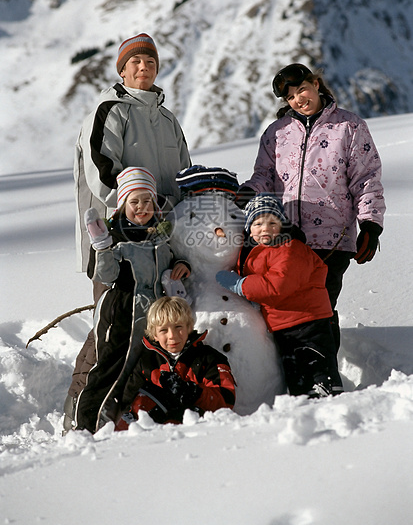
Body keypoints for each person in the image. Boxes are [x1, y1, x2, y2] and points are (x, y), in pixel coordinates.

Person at [238, 63, 385, 349]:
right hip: (286, 239)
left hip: (332, 238)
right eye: (291, 97)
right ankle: (297, 372)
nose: (298, 99)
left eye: (302, 89)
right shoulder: (277, 132)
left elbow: (366, 178)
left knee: (321, 308)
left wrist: (370, 222)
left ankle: (326, 376)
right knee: (290, 310)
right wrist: (247, 194)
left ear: (316, 84)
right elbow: (264, 176)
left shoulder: (349, 126)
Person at [65, 167, 191, 434]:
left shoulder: (159, 236)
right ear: (123, 205)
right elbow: (105, 274)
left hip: (151, 319)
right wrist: (101, 246)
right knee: (107, 370)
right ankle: (82, 427)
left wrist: (181, 265)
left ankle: (121, 422)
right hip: (121, 314)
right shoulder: (116, 237)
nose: (142, 207)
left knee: (138, 373)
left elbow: (167, 264)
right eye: (134, 202)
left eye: (147, 201)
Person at [74, 32, 191, 298]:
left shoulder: (167, 119)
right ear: (122, 70)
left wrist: (180, 208)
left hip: (163, 232)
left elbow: (185, 174)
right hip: (119, 232)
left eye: (151, 62)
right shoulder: (110, 111)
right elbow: (101, 173)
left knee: (162, 313)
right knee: (113, 311)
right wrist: (139, 206)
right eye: (135, 61)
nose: (144, 67)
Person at [216, 194, 343, 399]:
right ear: (249, 229)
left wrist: (242, 285)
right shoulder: (259, 251)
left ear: (282, 225)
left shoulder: (291, 248)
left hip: (308, 319)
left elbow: (277, 285)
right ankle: (303, 402)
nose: (264, 228)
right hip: (284, 324)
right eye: (257, 223)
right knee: (295, 370)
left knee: (316, 363)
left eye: (272, 222)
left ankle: (330, 397)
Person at [116, 296, 236, 429]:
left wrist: (193, 392)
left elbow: (226, 401)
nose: (172, 335)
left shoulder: (208, 358)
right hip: (151, 433)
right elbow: (128, 403)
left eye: (178, 327)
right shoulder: (147, 362)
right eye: (163, 330)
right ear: (154, 334)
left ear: (189, 327)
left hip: (195, 431)